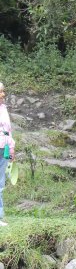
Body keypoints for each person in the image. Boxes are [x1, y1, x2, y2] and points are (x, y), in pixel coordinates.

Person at [0, 82, 15, 227]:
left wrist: (11, 148)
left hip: (3, 147)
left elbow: (8, 130)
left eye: (3, 92)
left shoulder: (3, 108)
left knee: (0, 181)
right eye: (0, 92)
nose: (3, 95)